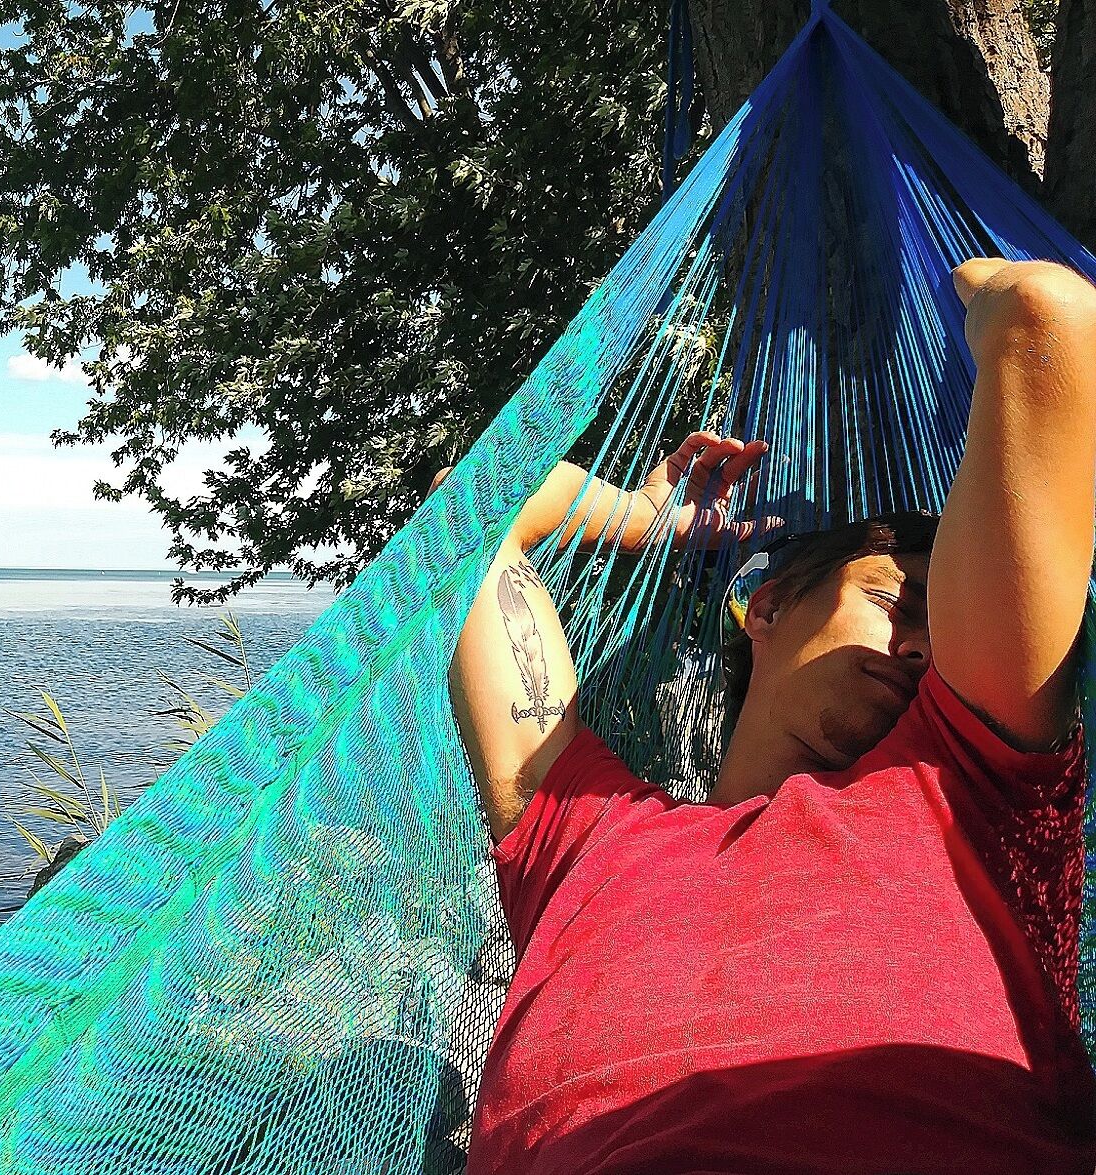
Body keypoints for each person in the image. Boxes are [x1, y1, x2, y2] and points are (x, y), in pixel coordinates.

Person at [444, 257, 1096, 1173]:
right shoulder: (583, 833)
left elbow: (1044, 320)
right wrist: (644, 518)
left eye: (945, 632)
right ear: (769, 605)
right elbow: (470, 515)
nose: (920, 646)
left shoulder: (971, 792)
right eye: (895, 601)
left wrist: (962, 273)